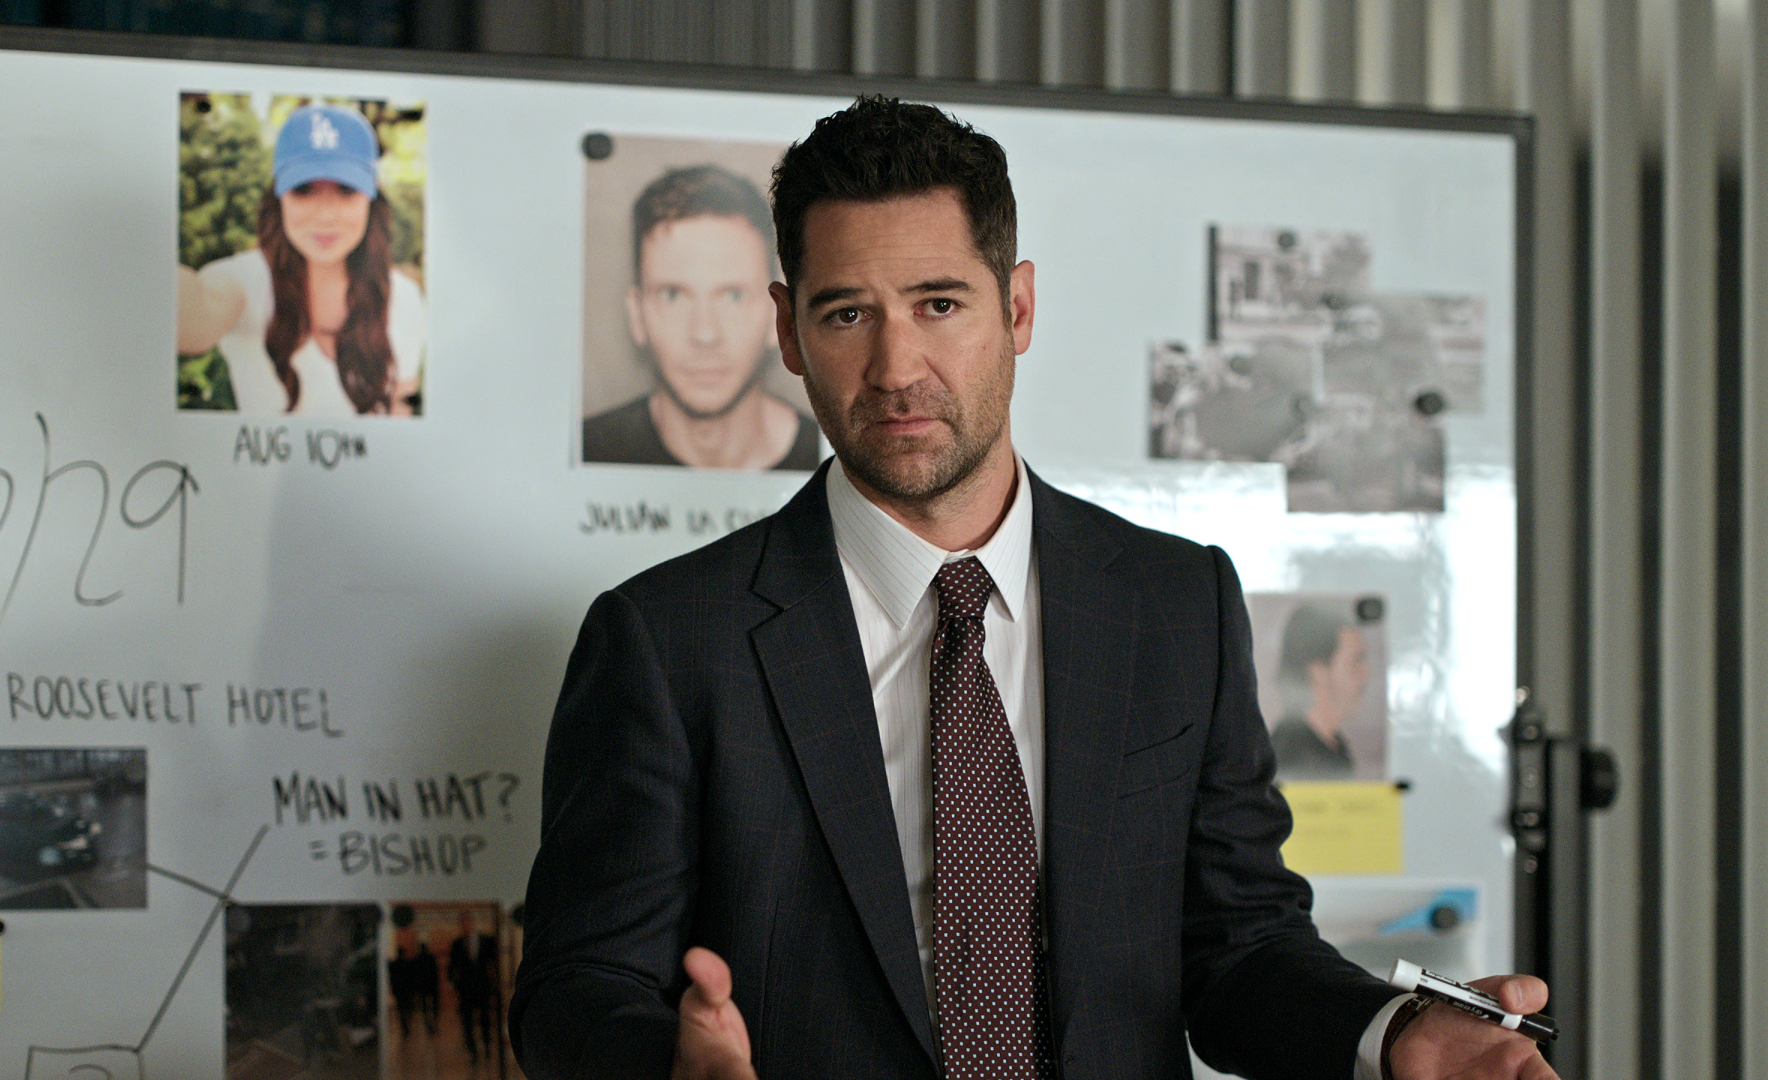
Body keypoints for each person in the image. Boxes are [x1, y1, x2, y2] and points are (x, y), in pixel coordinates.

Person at [513, 96, 1557, 1080]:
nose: (895, 366)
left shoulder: (1175, 605)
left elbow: (1238, 949)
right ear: (787, 333)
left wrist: (1394, 1035)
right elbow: (576, 986)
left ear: (1017, 307)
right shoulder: (666, 641)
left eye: (939, 303)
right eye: (845, 315)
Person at [177, 103, 425, 417]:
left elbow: (401, 408)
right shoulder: (245, 280)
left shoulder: (403, 297)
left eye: (346, 190)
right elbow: (197, 312)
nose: (324, 215)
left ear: (371, 203)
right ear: (279, 201)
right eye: (303, 190)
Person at [582, 165, 821, 470]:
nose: (705, 333)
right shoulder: (587, 452)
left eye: (733, 296)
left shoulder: (837, 465)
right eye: (673, 295)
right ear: (637, 315)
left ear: (779, 314)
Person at [1269, 603, 1369, 780]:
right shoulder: (1292, 754)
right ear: (1318, 672)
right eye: (1355, 662)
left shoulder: (1335, 745)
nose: (1365, 675)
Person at [450, 911, 504, 1075]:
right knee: (467, 1020)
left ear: (472, 923)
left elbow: (493, 963)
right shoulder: (457, 944)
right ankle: (472, 1050)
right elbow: (453, 966)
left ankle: (487, 1045)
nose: (465, 926)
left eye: (467, 923)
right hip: (465, 988)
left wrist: (495, 984)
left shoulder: (486, 941)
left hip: (482, 986)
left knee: (485, 1017)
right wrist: (453, 983)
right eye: (462, 924)